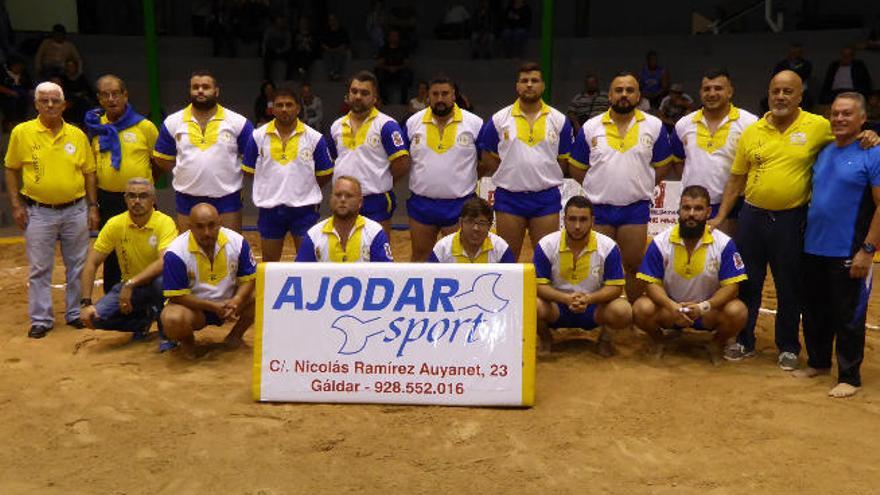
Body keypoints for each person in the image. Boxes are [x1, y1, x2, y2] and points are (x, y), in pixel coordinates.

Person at [710, 70, 878, 368]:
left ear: (800, 96)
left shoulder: (818, 126)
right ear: (769, 93)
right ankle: (745, 340)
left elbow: (848, 131)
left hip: (792, 219)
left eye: (788, 91)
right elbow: (736, 180)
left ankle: (787, 345)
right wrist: (722, 215)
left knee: (790, 285)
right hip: (752, 216)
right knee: (748, 282)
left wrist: (870, 133)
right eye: (776, 91)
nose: (781, 97)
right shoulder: (752, 131)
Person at [796, 93, 880, 397]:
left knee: (848, 314)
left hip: (849, 249)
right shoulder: (825, 151)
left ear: (862, 119)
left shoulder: (874, 153)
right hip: (813, 247)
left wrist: (867, 250)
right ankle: (818, 362)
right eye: (835, 114)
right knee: (815, 309)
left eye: (847, 114)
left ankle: (849, 375)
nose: (839, 119)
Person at [4, 82, 98, 339]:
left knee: (77, 264)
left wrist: (93, 207)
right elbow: (11, 169)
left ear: (64, 104)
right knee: (39, 268)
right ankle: (41, 319)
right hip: (38, 211)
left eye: (55, 101)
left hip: (76, 209)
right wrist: (16, 204)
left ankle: (75, 313)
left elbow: (89, 173)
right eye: (44, 101)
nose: (50, 105)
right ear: (36, 104)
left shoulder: (77, 135)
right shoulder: (22, 133)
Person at [568, 71, 673, 302]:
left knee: (634, 264)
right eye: (619, 90)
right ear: (610, 96)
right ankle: (602, 316)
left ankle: (634, 312)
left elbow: (664, 166)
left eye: (629, 90)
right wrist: (599, 184)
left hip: (634, 208)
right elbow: (575, 168)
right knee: (600, 264)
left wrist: (641, 183)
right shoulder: (591, 126)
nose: (624, 95)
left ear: (638, 96)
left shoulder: (654, 126)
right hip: (599, 207)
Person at [633, 185, 748, 364]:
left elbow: (732, 287)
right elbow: (650, 284)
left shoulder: (724, 244)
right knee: (641, 308)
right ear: (679, 211)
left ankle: (716, 344)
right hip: (671, 311)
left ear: (708, 212)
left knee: (738, 311)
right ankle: (659, 340)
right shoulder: (660, 242)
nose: (691, 214)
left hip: (707, 312)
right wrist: (672, 307)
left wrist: (703, 307)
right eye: (686, 208)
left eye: (698, 209)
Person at [477, 62, 573, 261]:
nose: (529, 85)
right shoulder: (499, 119)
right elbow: (486, 156)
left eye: (534, 80)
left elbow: (564, 161)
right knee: (507, 260)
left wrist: (543, 175)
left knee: (546, 259)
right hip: (510, 198)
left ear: (543, 86)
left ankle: (544, 294)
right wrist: (508, 173)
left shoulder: (560, 120)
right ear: (517, 86)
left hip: (545, 198)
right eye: (524, 81)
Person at [79, 178, 178, 348]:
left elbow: (164, 262)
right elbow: (91, 262)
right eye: (132, 196)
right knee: (92, 318)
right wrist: (86, 303)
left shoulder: (165, 222)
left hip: (156, 284)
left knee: (162, 282)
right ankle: (142, 320)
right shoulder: (115, 224)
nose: (137, 201)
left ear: (153, 200)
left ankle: (167, 335)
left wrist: (131, 284)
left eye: (143, 196)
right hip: (130, 287)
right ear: (125, 199)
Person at [84, 75, 160, 293]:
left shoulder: (145, 127)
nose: (111, 99)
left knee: (147, 247)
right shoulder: (94, 128)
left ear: (125, 95)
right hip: (107, 199)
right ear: (99, 99)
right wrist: (93, 205)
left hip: (141, 198)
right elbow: (91, 169)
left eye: (116, 93)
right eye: (105, 95)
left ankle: (149, 299)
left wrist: (144, 186)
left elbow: (159, 162)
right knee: (111, 251)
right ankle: (113, 299)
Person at [153, 70, 254, 233]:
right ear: (190, 91)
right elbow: (162, 159)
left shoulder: (238, 122)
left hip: (227, 199)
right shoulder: (173, 122)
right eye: (195, 87)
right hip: (187, 198)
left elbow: (252, 157)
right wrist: (186, 171)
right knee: (190, 253)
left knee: (229, 250)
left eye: (205, 87)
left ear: (216, 91)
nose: (200, 90)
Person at [242, 85, 334, 262]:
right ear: (272, 108)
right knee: (269, 261)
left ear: (298, 108)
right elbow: (250, 171)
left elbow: (325, 173)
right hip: (270, 209)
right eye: (280, 105)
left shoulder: (314, 137)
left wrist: (303, 186)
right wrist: (270, 183)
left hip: (304, 209)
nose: (284, 109)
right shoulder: (257, 136)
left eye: (289, 105)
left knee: (307, 262)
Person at [533, 195, 632, 356]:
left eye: (583, 220)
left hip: (593, 308)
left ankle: (605, 339)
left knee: (623, 311)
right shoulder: (547, 244)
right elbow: (538, 285)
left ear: (592, 221)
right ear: (564, 220)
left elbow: (615, 287)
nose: (577, 226)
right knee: (531, 306)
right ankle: (545, 338)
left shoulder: (608, 246)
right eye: (572, 219)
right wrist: (565, 299)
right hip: (556, 307)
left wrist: (588, 299)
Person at [160, 203, 257, 358]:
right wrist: (212, 306)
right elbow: (176, 295)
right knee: (172, 318)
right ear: (189, 226)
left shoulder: (237, 242)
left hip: (229, 304)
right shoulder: (176, 252)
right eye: (200, 227)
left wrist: (237, 299)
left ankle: (235, 336)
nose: (207, 232)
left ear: (220, 222)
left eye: (212, 225)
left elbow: (249, 279)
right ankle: (187, 342)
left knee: (263, 293)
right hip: (195, 310)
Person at [670, 69, 758, 236]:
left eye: (718, 88)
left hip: (735, 206)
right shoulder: (684, 124)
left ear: (730, 92)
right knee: (694, 257)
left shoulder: (750, 123)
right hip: (693, 208)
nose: (712, 93)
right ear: (700, 92)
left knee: (730, 258)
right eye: (707, 89)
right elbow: (677, 161)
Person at [404, 76, 483, 261]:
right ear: (427, 97)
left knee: (459, 259)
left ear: (454, 95)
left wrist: (465, 178)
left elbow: (485, 161)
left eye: (445, 94)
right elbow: (402, 159)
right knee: (420, 257)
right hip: (422, 204)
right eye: (435, 94)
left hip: (460, 204)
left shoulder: (474, 123)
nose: (440, 99)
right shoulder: (411, 123)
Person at [326, 70, 410, 235]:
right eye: (354, 91)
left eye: (364, 93)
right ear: (348, 94)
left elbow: (402, 163)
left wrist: (381, 181)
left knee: (376, 253)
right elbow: (329, 161)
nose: (358, 96)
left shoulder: (386, 125)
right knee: (344, 249)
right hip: (343, 199)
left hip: (375, 199)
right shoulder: (336, 126)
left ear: (375, 98)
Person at [295, 176, 393, 262]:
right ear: (330, 199)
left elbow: (386, 273)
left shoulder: (374, 232)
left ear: (360, 202)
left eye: (349, 196)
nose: (342, 199)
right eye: (338, 195)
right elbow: (299, 275)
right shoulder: (314, 235)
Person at [428, 197, 515, 263]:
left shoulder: (501, 249)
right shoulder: (442, 249)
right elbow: (429, 279)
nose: (475, 228)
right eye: (470, 221)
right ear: (461, 222)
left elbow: (511, 281)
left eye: (482, 223)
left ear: (490, 226)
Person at [375, 29, 413, 105]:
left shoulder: (403, 49)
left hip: (400, 71)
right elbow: (379, 63)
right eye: (392, 36)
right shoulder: (384, 49)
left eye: (395, 36)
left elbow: (407, 63)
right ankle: (384, 100)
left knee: (407, 74)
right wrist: (389, 68)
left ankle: (403, 101)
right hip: (386, 71)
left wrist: (396, 68)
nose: (394, 37)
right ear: (388, 37)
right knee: (379, 73)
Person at [772, 42, 813, 109]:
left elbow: (802, 77)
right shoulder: (782, 64)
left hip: (800, 91)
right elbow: (775, 78)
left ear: (801, 53)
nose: (795, 55)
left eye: (797, 53)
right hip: (782, 89)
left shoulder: (806, 64)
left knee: (807, 100)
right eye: (793, 53)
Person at [0, 55, 32, 133]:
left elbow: (29, 86)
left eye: (20, 65)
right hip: (6, 95)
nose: (19, 67)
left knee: (24, 100)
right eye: (16, 65)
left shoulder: (24, 73)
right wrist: (9, 92)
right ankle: (9, 123)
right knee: (9, 104)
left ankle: (20, 122)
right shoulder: (2, 72)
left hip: (21, 94)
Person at [321, 14, 350, 81]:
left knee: (339, 54)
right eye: (330, 20)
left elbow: (345, 43)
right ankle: (331, 72)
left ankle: (336, 72)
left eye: (334, 20)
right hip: (328, 50)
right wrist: (328, 49)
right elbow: (322, 43)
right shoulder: (326, 30)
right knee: (326, 54)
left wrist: (336, 49)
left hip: (339, 50)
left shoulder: (343, 30)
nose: (332, 22)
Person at [262, 15, 291, 81]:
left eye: (282, 21)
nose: (281, 22)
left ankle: (288, 77)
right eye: (279, 20)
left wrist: (281, 50)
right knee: (267, 56)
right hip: (272, 50)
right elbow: (265, 41)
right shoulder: (270, 30)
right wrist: (264, 50)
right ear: (276, 21)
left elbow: (288, 44)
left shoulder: (286, 31)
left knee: (291, 57)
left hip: (282, 52)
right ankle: (267, 76)